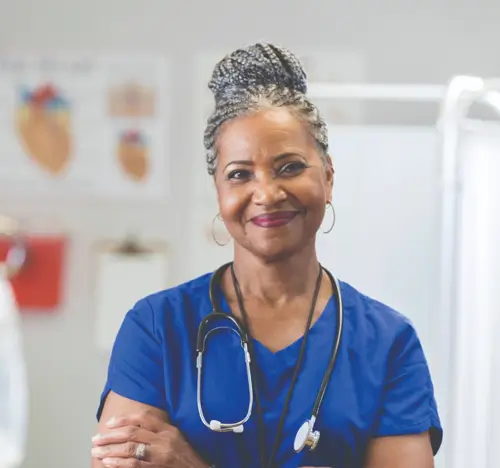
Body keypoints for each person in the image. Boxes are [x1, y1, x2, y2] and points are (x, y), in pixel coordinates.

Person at [91, 43, 443, 468]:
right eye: (240, 174)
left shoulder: (387, 343)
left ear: (328, 179)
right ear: (219, 193)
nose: (267, 194)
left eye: (290, 167)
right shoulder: (157, 330)